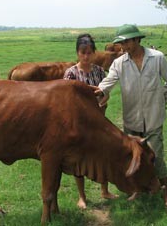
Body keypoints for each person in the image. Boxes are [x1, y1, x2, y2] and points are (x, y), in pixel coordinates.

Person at [94, 24, 167, 208]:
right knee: (134, 158)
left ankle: (166, 192)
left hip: (154, 117)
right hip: (132, 119)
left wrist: (161, 102)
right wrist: (97, 90)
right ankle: (138, 190)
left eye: (127, 41)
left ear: (137, 39)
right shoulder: (119, 63)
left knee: (157, 156)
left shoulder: (157, 58)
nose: (123, 46)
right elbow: (108, 81)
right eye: (121, 42)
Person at [63, 33, 118, 209]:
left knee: (103, 155)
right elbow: (66, 101)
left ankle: (104, 190)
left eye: (89, 53)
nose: (86, 56)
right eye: (82, 52)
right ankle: (82, 196)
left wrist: (103, 100)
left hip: (99, 122)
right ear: (77, 53)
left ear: (94, 53)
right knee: (79, 159)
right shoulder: (70, 74)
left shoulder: (99, 71)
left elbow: (105, 93)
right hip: (79, 124)